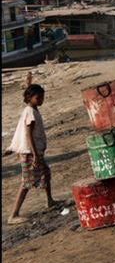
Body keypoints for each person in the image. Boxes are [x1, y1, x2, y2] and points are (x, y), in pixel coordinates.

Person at [6, 84, 60, 225]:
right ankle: (13, 215)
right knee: (26, 182)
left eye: (42, 96)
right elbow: (28, 134)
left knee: (45, 173)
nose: (41, 99)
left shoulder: (33, 110)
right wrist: (35, 154)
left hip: (34, 151)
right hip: (30, 152)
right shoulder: (29, 111)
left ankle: (50, 201)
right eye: (38, 97)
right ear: (29, 98)